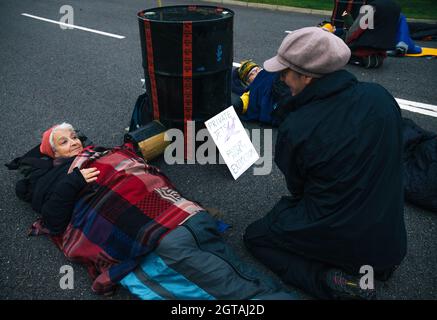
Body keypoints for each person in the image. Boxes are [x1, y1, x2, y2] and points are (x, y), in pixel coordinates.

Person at [6, 122, 295, 300]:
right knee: (235, 288)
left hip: (181, 215)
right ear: (53, 155)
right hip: (154, 237)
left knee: (234, 270)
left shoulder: (98, 153)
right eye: (64, 142)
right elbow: (55, 221)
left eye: (74, 136)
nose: (74, 143)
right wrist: (74, 182)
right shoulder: (52, 180)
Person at [243, 27, 407, 300]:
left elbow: (300, 191)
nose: (282, 79)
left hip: (342, 232)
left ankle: (326, 280)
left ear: (307, 78)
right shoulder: (380, 97)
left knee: (256, 236)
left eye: (285, 72)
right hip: (390, 245)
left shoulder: (297, 127)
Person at [231, 60, 290, 125]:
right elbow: (241, 103)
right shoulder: (252, 91)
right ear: (247, 83)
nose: (256, 73)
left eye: (257, 69)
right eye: (251, 74)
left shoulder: (269, 72)